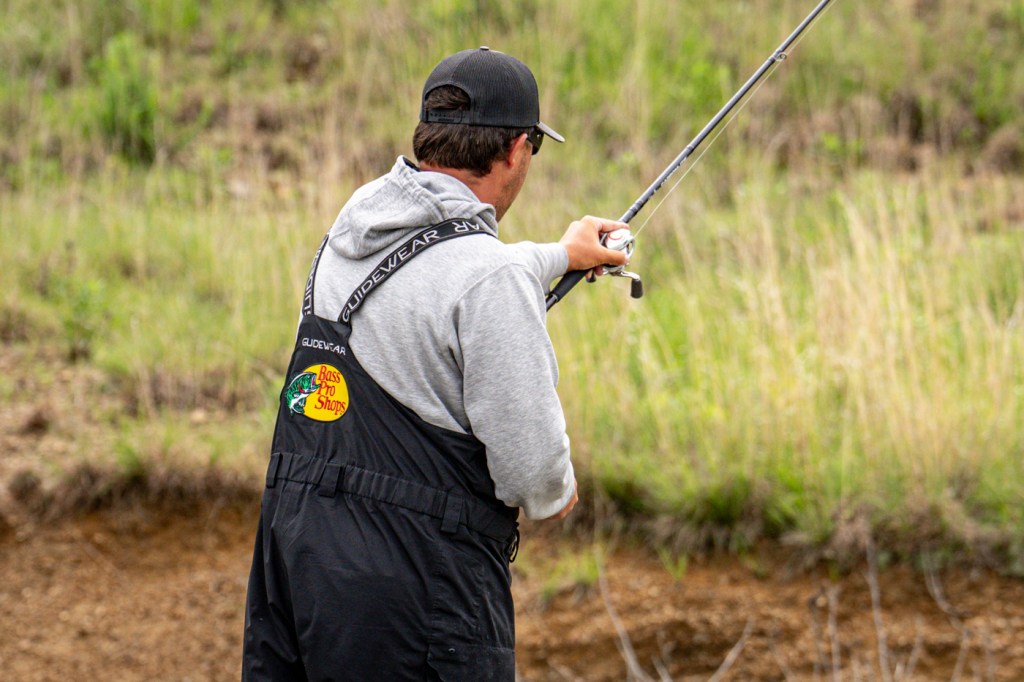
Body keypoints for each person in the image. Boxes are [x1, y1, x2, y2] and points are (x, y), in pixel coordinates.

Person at [242, 46, 629, 681]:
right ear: (516, 149)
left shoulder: (353, 230)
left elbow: (450, 264)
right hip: (415, 593)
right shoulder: (489, 280)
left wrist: (561, 254)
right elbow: (535, 478)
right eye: (535, 145)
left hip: (293, 560)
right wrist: (558, 490)